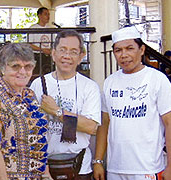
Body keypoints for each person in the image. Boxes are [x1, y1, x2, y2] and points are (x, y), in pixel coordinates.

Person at [93, 26, 171, 180]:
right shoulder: (109, 82)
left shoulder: (157, 79)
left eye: (130, 48)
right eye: (118, 50)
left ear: (142, 49)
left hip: (148, 168)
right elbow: (105, 123)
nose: (124, 55)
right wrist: (98, 160)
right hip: (115, 168)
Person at [30, 30, 101, 179]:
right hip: (44, 167)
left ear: (81, 56)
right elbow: (30, 128)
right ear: (53, 53)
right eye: (62, 50)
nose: (67, 56)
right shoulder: (38, 84)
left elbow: (91, 127)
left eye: (73, 51)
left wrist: (56, 111)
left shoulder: (89, 87)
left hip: (79, 167)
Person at [0, 43, 49, 180]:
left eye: (28, 66)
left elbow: (40, 138)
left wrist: (45, 174)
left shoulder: (29, 95)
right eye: (15, 66)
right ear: (3, 68)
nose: (22, 72)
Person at [29, 7, 53, 76]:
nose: (48, 16)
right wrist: (42, 50)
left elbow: (54, 43)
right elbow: (29, 45)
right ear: (39, 15)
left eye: (49, 14)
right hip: (37, 56)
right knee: (37, 75)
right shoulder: (33, 28)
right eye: (46, 14)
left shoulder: (50, 29)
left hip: (48, 56)